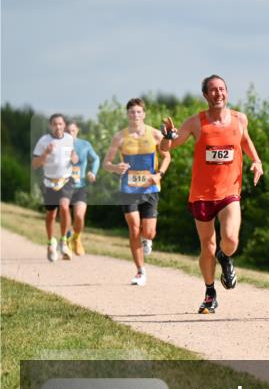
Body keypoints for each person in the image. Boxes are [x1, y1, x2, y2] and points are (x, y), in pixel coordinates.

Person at [159, 74, 264, 314]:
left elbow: (245, 141)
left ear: (227, 93)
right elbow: (167, 148)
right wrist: (166, 137)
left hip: (230, 191)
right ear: (205, 95)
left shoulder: (240, 119)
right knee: (206, 247)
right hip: (202, 194)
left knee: (231, 239)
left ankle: (225, 258)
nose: (218, 93)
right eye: (213, 90)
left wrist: (257, 161)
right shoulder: (196, 122)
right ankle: (210, 292)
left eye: (222, 89)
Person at [103, 98, 171, 286]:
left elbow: (167, 157)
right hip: (128, 187)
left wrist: (159, 174)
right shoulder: (120, 137)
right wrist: (116, 168)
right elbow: (106, 163)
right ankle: (140, 271)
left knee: (149, 232)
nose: (135, 115)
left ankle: (147, 240)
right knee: (134, 228)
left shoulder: (155, 134)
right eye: (132, 112)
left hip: (150, 187)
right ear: (127, 114)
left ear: (144, 114)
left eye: (139, 112)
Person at [31, 113, 79, 262]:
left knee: (64, 207)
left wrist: (74, 158)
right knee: (51, 214)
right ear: (50, 126)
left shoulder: (70, 139)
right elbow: (35, 164)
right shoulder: (44, 141)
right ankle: (51, 242)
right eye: (55, 124)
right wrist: (46, 153)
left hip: (66, 180)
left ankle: (64, 240)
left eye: (60, 124)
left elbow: (76, 159)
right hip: (49, 182)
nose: (58, 126)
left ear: (64, 125)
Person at [64, 121, 101, 256]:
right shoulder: (59, 146)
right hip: (64, 186)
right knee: (66, 217)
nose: (70, 133)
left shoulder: (85, 145)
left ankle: (76, 237)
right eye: (67, 131)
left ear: (77, 131)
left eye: (72, 131)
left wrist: (93, 172)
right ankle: (67, 241)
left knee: (79, 216)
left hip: (80, 187)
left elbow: (96, 158)